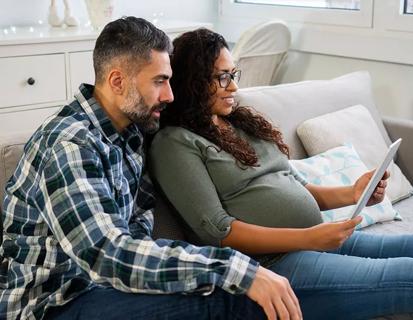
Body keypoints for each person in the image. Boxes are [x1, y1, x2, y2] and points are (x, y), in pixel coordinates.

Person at [0, 17, 303, 320]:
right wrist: (235, 268)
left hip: (104, 287)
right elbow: (107, 254)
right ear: (117, 81)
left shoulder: (131, 134)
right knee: (237, 299)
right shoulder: (69, 146)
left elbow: (138, 238)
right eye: (159, 81)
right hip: (53, 301)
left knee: (227, 290)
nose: (170, 95)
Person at [151, 28, 413, 319]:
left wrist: (353, 194)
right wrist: (309, 237)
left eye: (233, 75)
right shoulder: (175, 142)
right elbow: (218, 233)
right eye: (221, 78)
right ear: (193, 80)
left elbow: (297, 185)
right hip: (271, 266)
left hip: (312, 240)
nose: (233, 86)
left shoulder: (240, 123)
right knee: (412, 275)